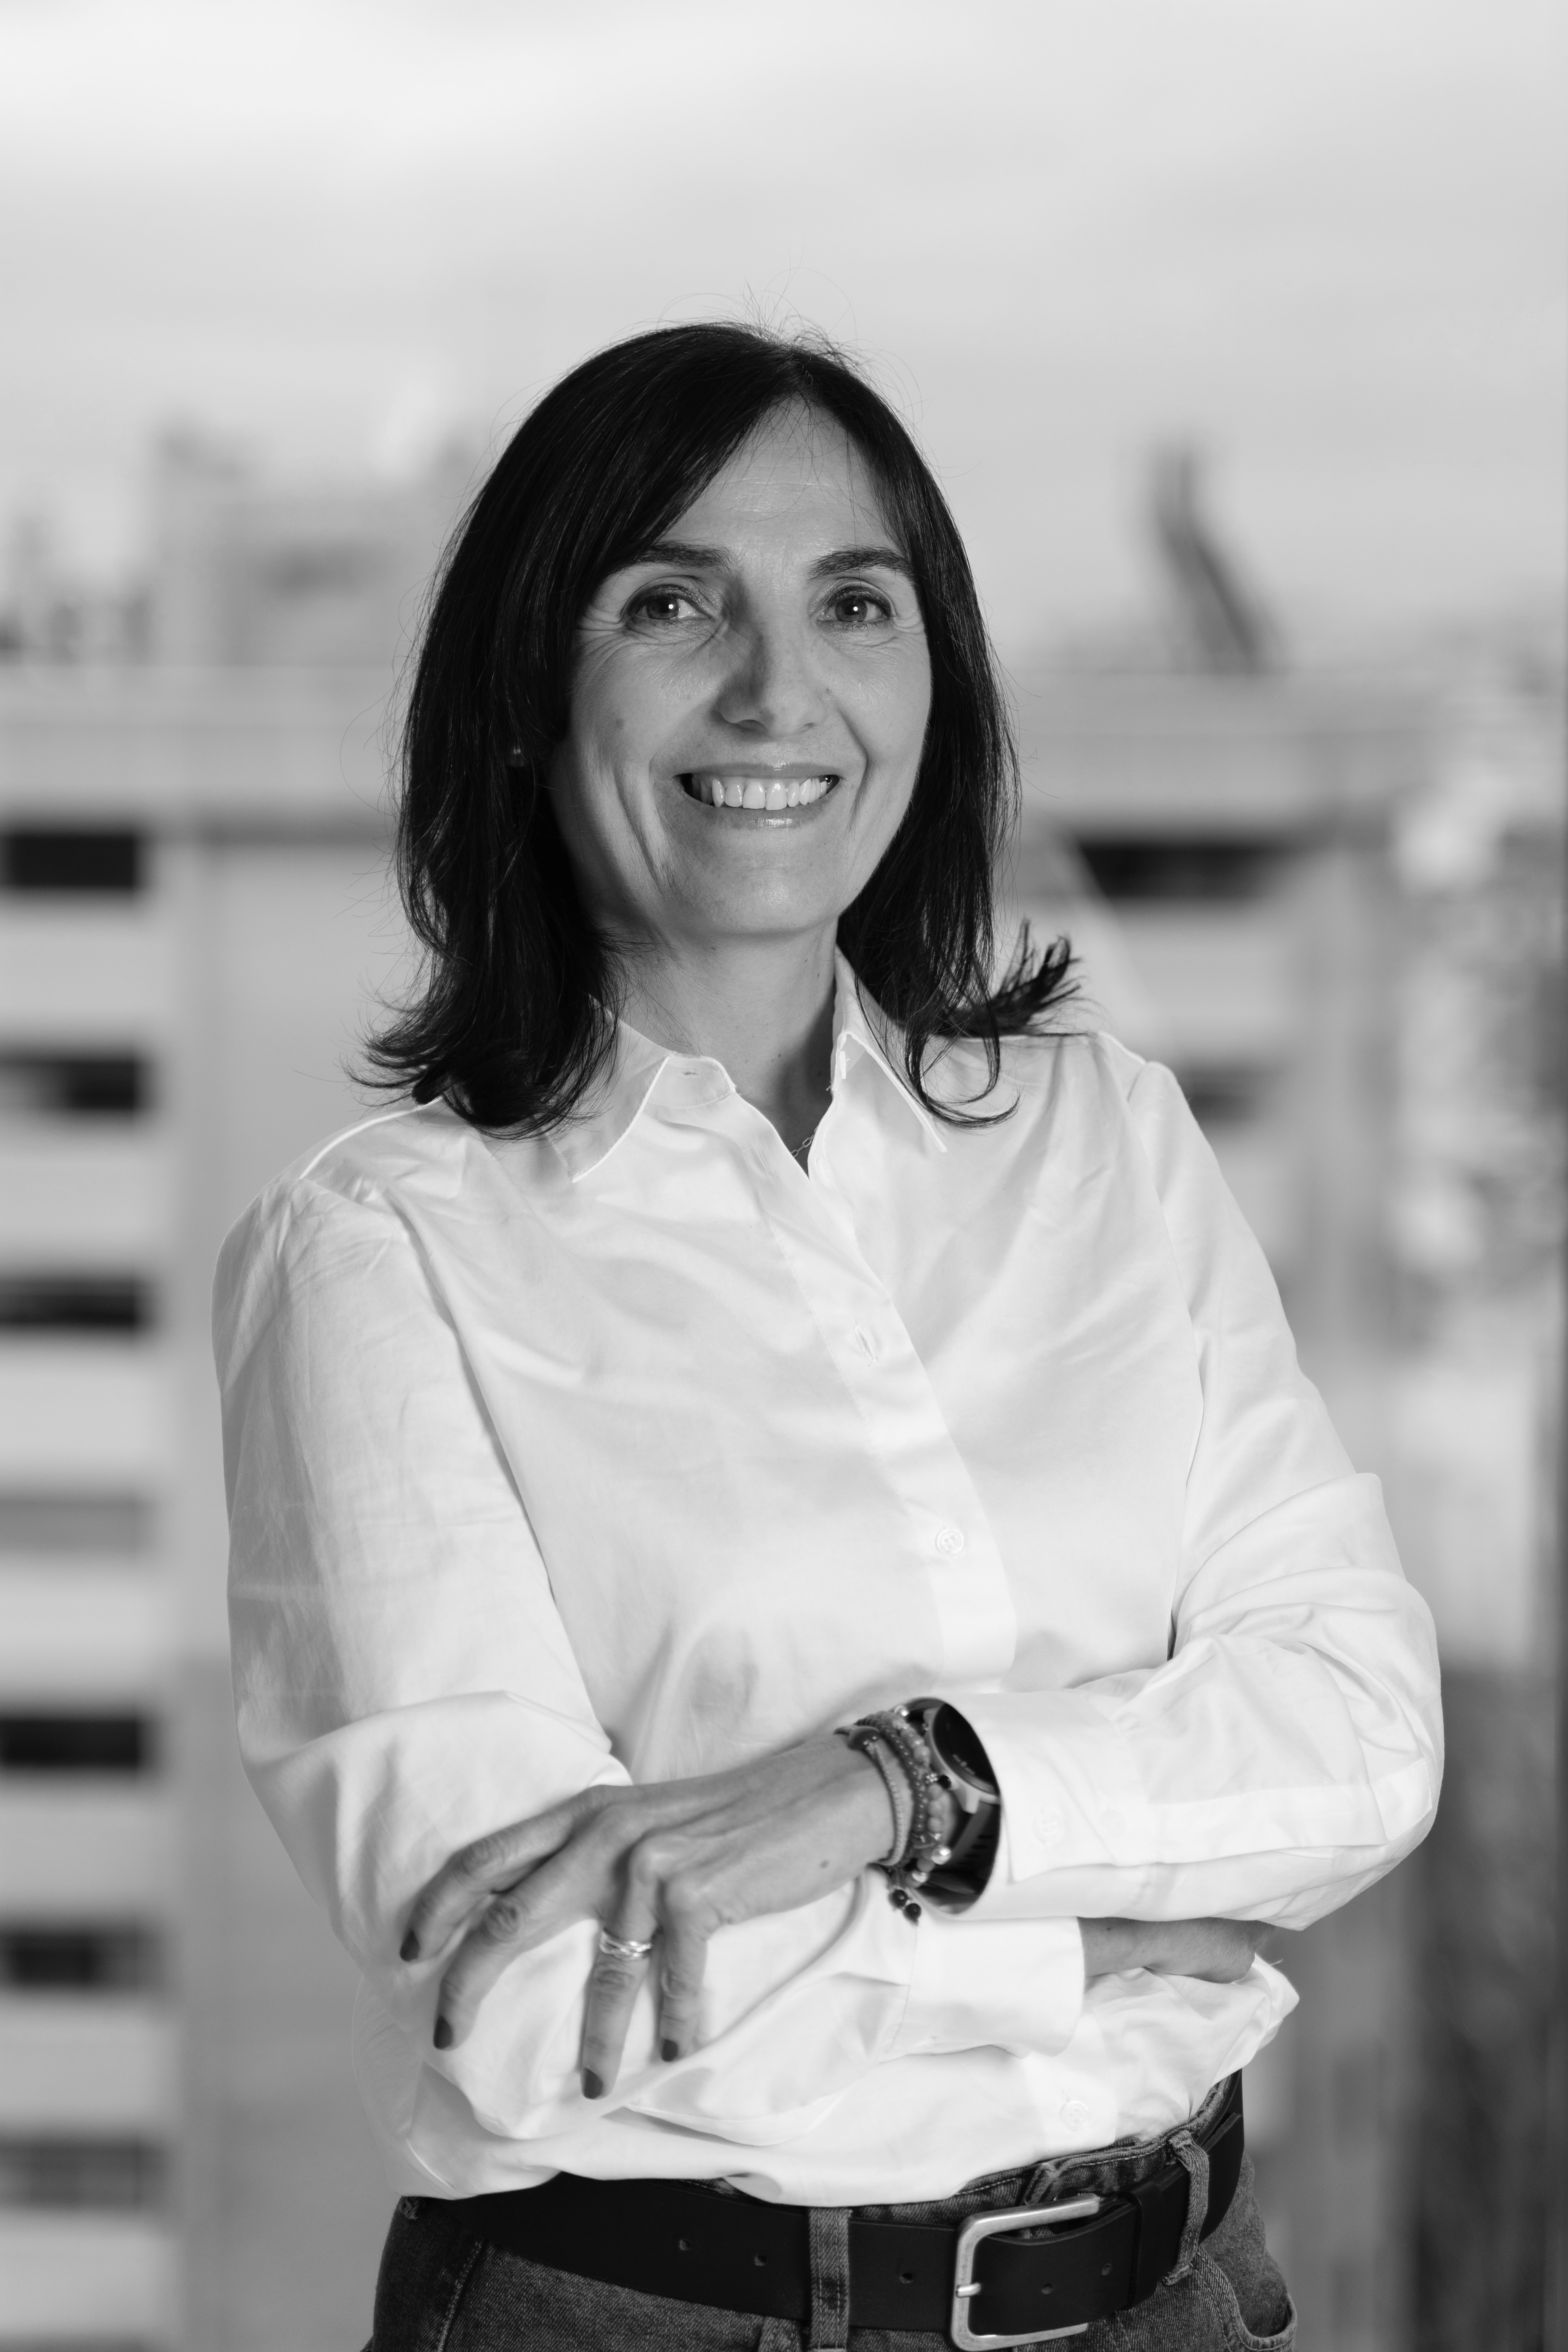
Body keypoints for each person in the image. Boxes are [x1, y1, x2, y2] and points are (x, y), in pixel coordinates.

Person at [215, 322, 1442, 2352]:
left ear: (933, 678)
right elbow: (529, 1992)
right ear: (526, 695)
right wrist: (1120, 1928)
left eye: (853, 604)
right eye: (672, 603)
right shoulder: (378, 1255)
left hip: (1185, 2296)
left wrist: (902, 1794)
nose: (777, 692)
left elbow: (1361, 1728)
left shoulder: (1103, 1135)